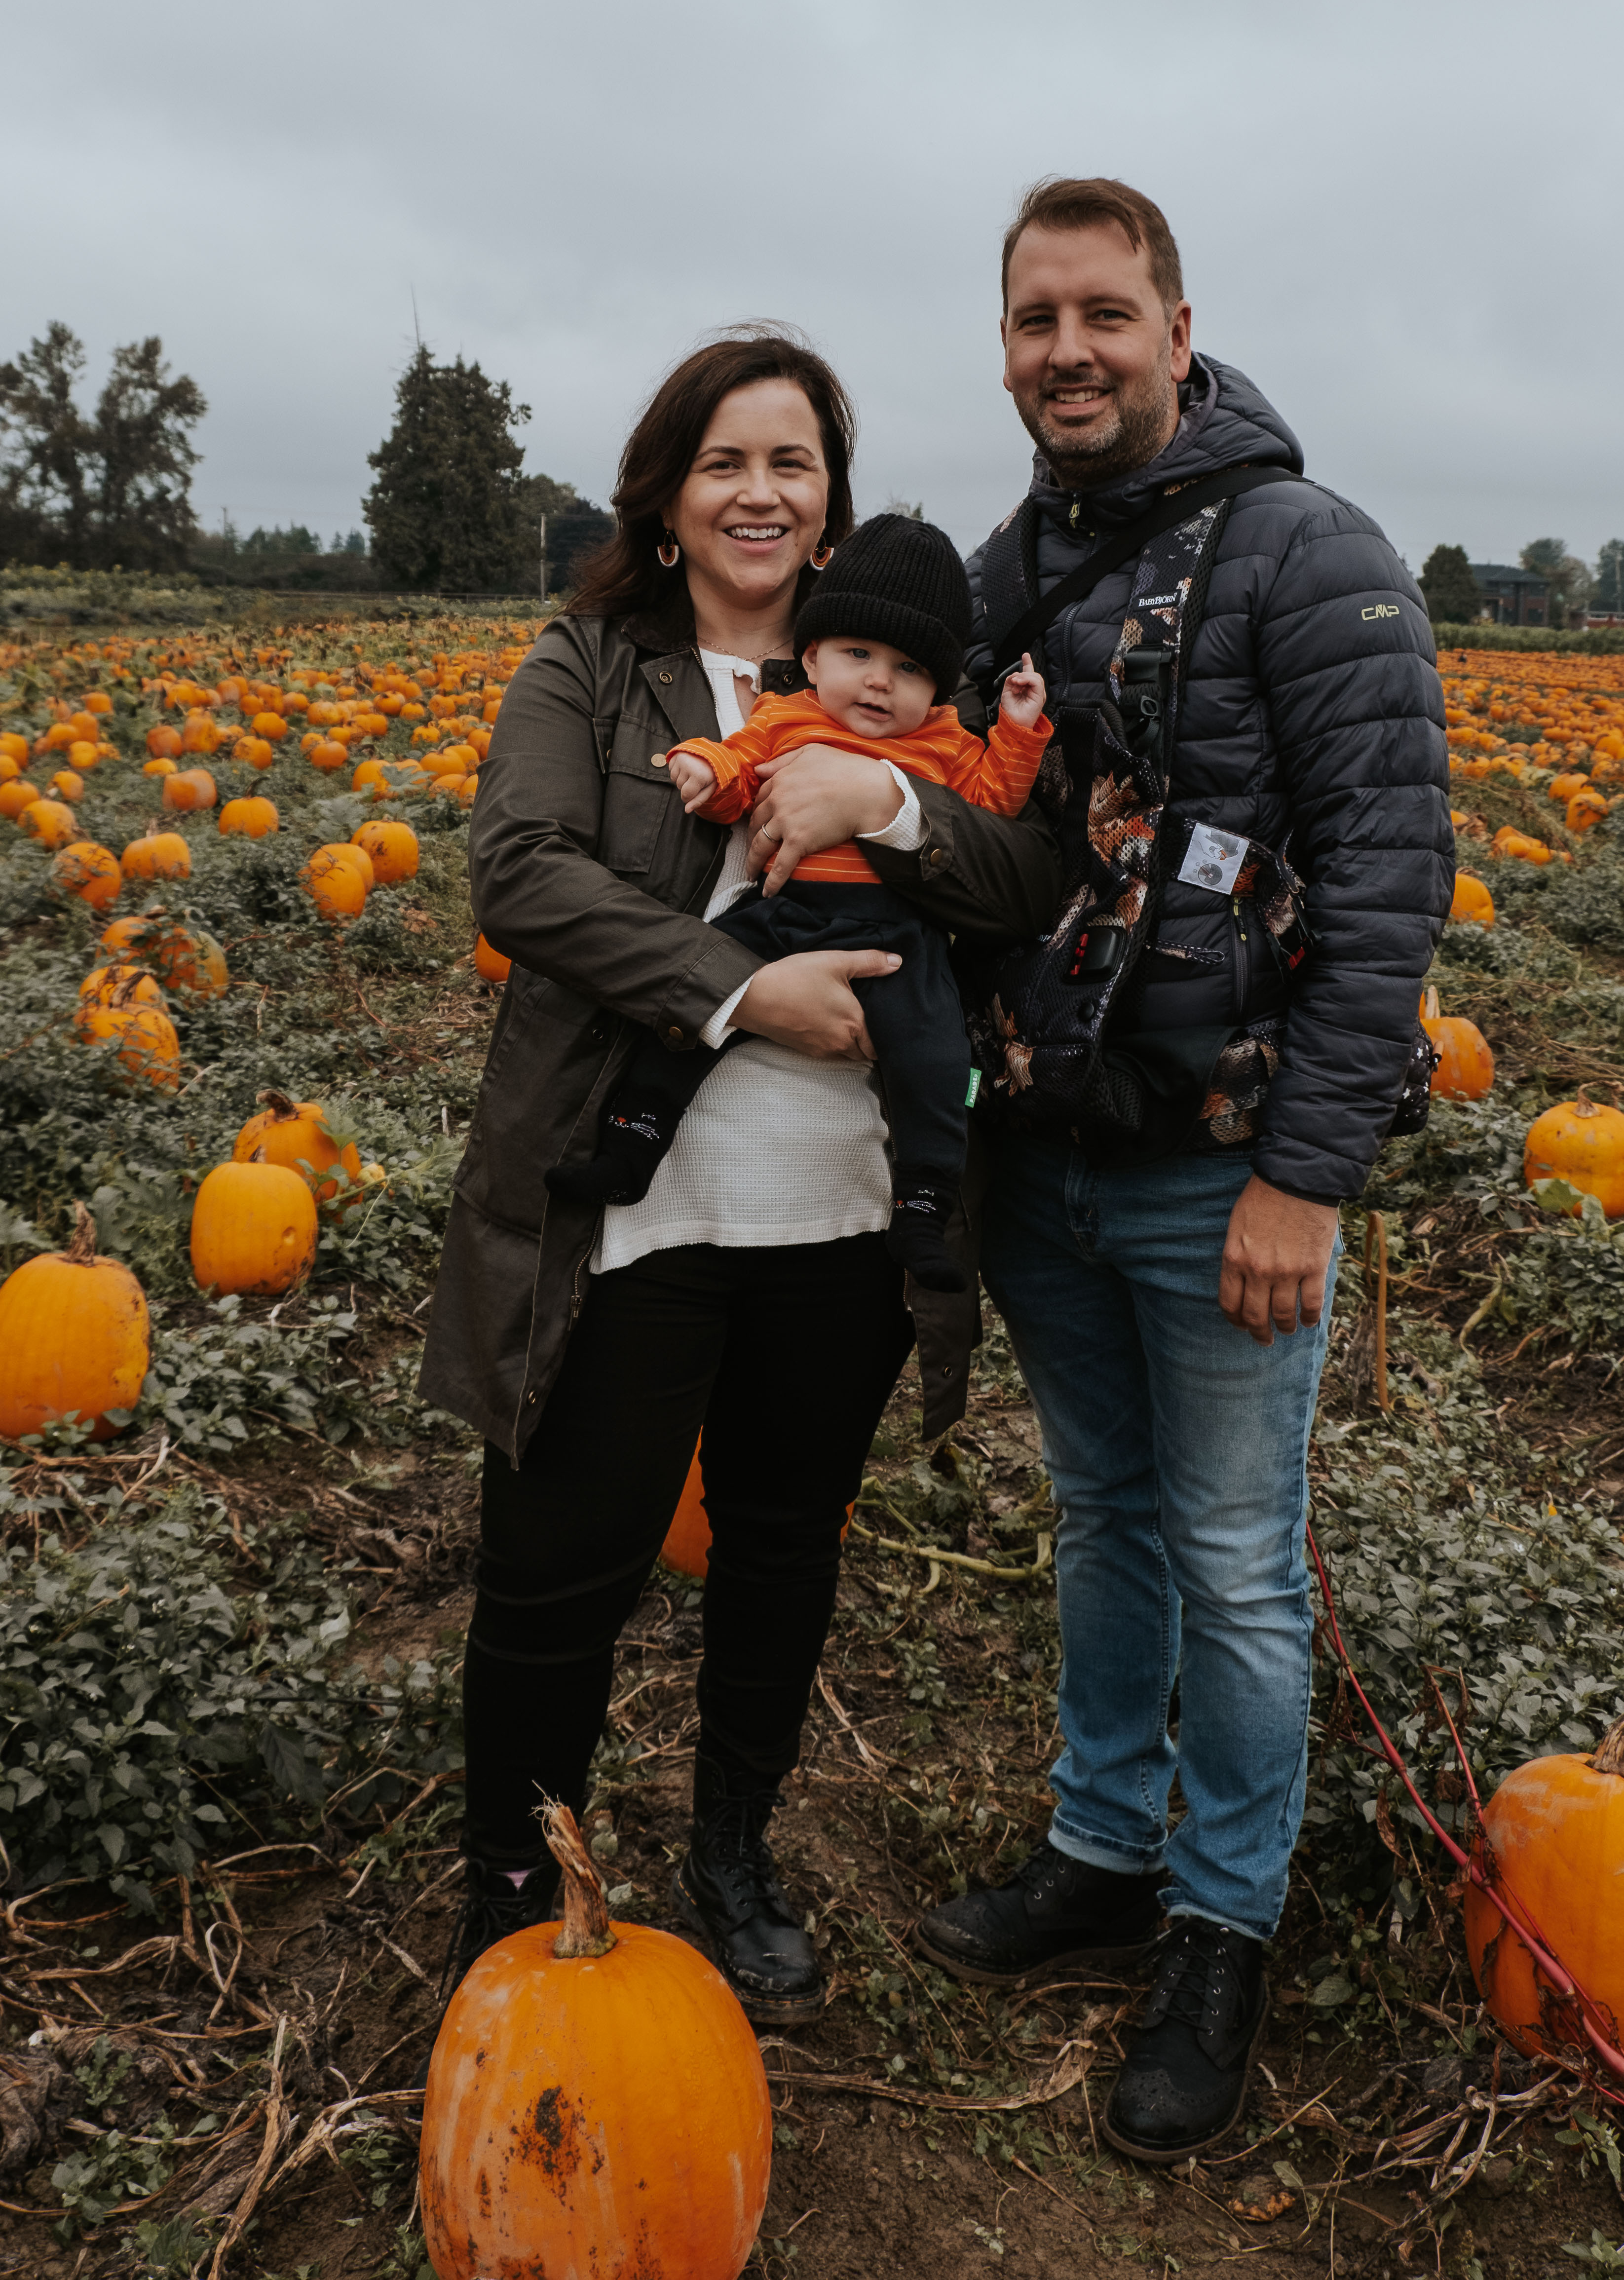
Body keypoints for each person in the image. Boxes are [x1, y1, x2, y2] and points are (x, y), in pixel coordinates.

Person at [419, 327, 1061, 2029]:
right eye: (727, 461)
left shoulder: (906, 679)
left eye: (793, 460)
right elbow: (521, 872)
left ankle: (733, 1852)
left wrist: (888, 805)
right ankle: (513, 1880)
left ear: (830, 498)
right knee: (567, 1563)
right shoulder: (594, 662)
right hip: (633, 1212)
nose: (761, 491)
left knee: (782, 1544)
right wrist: (735, 986)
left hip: (847, 1218)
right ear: (673, 495)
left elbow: (1025, 868)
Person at [915, 177, 1452, 2163]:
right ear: (1002, 346)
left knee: (1233, 1562)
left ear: (1175, 324)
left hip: (1222, 1169)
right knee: (1104, 1513)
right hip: (1049, 1151)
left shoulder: (1309, 554)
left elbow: (1391, 880)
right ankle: (1096, 1843)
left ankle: (1220, 1920)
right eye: (1033, 317)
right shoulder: (1007, 569)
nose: (1066, 348)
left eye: (1101, 313)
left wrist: (1305, 1176)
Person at [554, 509, 1052, 1288]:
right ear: (814, 656)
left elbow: (991, 808)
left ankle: (923, 1204)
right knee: (691, 1012)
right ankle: (632, 1142)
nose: (881, 681)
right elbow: (736, 772)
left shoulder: (949, 742)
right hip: (786, 913)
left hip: (899, 939)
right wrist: (701, 769)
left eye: (910, 669)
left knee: (935, 1060)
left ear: (940, 685)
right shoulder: (787, 716)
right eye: (859, 654)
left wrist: (1019, 731)